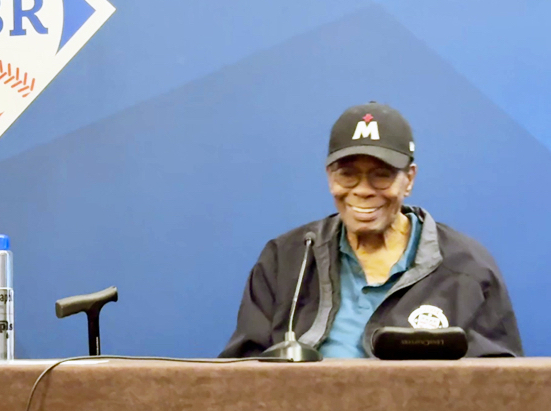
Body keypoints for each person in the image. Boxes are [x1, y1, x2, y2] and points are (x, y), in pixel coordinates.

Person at [220, 102, 523, 358]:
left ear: (410, 179)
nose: (363, 190)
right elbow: (241, 374)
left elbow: (503, 386)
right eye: (348, 174)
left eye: (381, 175)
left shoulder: (467, 268)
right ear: (329, 177)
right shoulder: (287, 260)